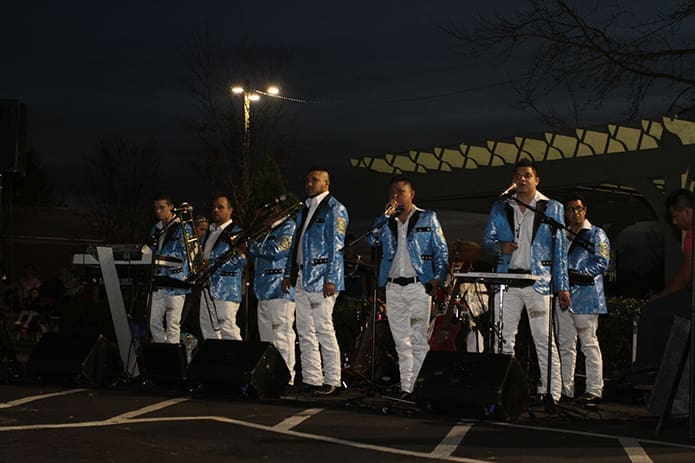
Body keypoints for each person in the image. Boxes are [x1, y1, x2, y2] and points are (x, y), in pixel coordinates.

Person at [481, 158, 570, 404]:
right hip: (508, 280)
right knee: (503, 338)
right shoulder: (501, 207)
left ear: (536, 180)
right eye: (518, 175)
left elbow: (560, 250)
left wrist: (562, 286)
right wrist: (500, 247)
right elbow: (486, 243)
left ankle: (552, 392)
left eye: (527, 175)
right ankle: (505, 390)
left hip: (538, 280)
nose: (521, 179)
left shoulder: (551, 208)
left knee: (543, 337)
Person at [368, 175, 448, 398]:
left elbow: (441, 250)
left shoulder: (427, 218)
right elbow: (371, 241)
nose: (396, 195)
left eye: (401, 191)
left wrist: (437, 279)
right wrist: (383, 216)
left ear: (411, 194)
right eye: (393, 192)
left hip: (418, 286)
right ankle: (406, 387)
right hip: (393, 287)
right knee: (401, 340)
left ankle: (420, 388)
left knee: (418, 339)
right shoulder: (387, 222)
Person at [282, 167, 348, 396]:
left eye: (315, 180)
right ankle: (312, 378)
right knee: (304, 329)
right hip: (302, 275)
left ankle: (333, 379)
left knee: (323, 328)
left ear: (326, 184)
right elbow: (295, 244)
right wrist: (288, 273)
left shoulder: (335, 209)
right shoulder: (303, 210)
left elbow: (337, 246)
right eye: (307, 179)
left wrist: (331, 277)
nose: (309, 183)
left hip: (322, 278)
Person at [633, 188, 694, 376]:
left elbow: (685, 277)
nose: (675, 222)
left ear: (688, 212)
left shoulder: (692, 235)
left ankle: (650, 367)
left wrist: (660, 296)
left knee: (652, 312)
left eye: (676, 217)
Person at [557, 194, 610, 407]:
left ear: (585, 210)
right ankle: (565, 389)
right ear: (566, 213)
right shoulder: (561, 234)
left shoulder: (596, 234)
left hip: (586, 296)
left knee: (588, 344)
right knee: (565, 344)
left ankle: (594, 390)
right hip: (563, 296)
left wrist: (574, 274)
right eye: (570, 209)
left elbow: (602, 262)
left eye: (578, 208)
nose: (575, 213)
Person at [248, 204, 297, 385]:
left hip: (279, 289)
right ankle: (270, 376)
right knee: (267, 337)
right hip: (262, 289)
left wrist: (252, 246)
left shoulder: (289, 226)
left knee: (282, 334)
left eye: (271, 211)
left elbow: (277, 250)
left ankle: (287, 377)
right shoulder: (268, 230)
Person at [198, 194, 246, 340]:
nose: (216, 210)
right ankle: (216, 361)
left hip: (226, 288)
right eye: (214, 207)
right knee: (207, 328)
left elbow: (240, 260)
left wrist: (210, 264)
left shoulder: (237, 232)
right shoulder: (209, 232)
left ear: (230, 210)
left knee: (227, 327)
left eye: (220, 207)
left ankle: (238, 362)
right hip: (207, 286)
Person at [147, 194, 191, 344]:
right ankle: (162, 350)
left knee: (173, 323)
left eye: (162, 207)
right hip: (157, 281)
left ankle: (172, 354)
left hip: (175, 281)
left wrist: (160, 258)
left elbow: (186, 254)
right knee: (152, 321)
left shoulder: (183, 227)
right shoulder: (155, 228)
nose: (158, 211)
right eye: (156, 208)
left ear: (171, 207)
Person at [430, 240, 487, 354]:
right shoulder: (443, 281)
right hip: (442, 325)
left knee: (473, 345)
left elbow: (484, 305)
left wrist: (465, 307)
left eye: (460, 262)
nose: (456, 265)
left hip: (469, 325)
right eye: (454, 262)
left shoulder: (476, 283)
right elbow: (433, 308)